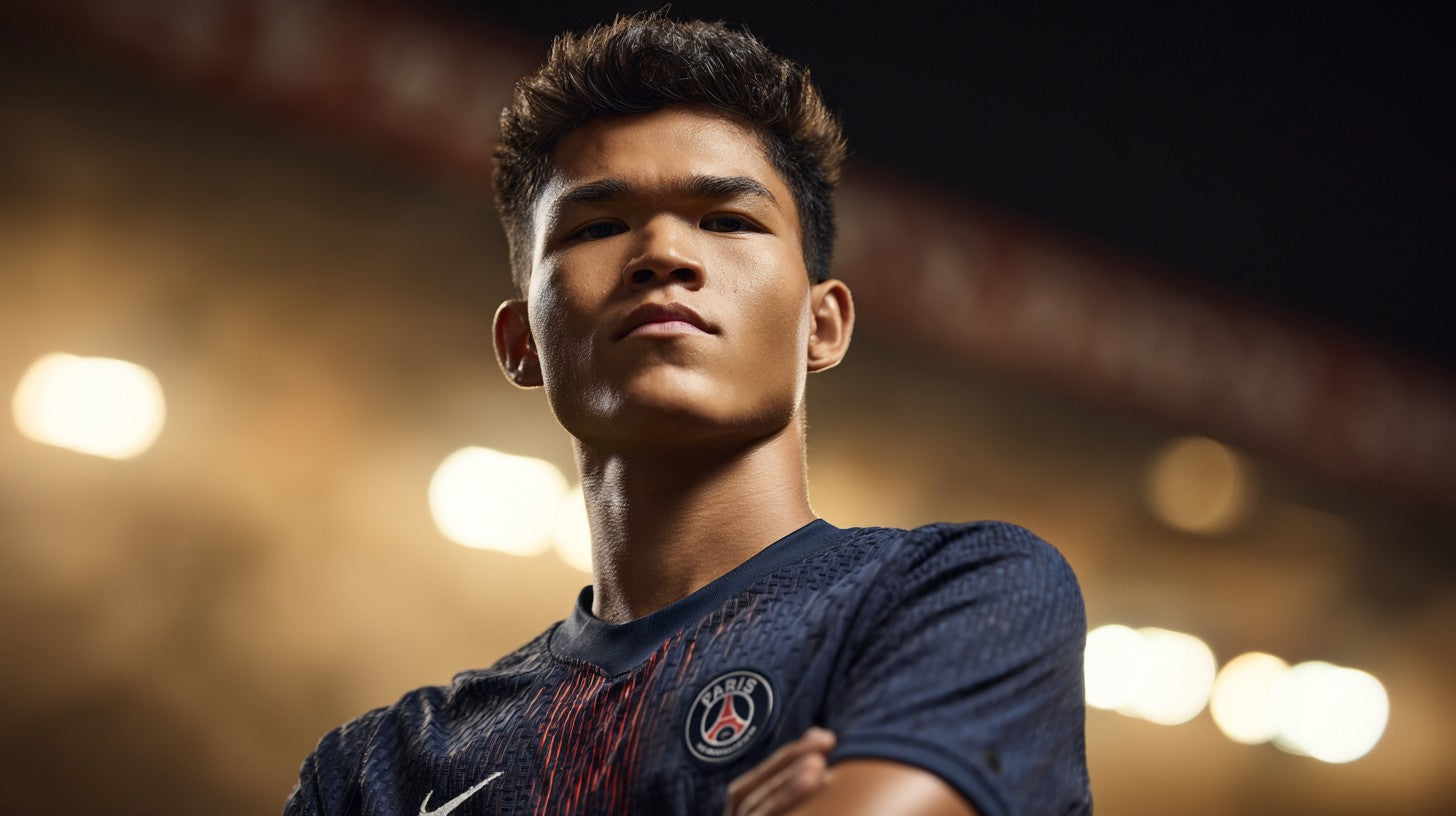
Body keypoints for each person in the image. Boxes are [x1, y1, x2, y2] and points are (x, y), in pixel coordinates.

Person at [285, 12, 1089, 816]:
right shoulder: (375, 770)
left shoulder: (961, 596)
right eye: (599, 226)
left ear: (823, 325)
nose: (663, 254)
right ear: (521, 342)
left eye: (727, 220)